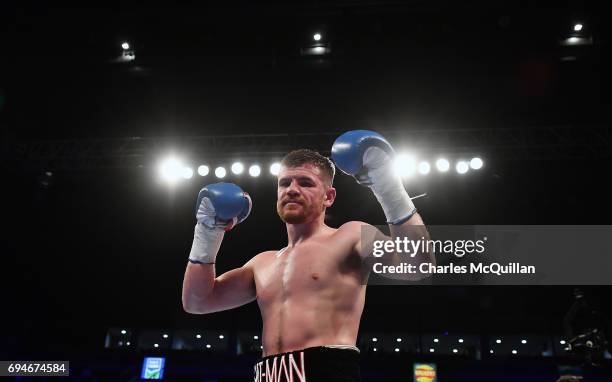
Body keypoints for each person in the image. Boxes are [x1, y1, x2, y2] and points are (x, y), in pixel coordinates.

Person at [182, 130, 434, 382]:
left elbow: (418, 266)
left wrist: (386, 182)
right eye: (284, 183)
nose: (292, 189)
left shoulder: (350, 236)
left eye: (305, 182)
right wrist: (208, 231)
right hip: (268, 375)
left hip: (328, 371)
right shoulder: (263, 262)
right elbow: (198, 301)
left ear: (329, 197)